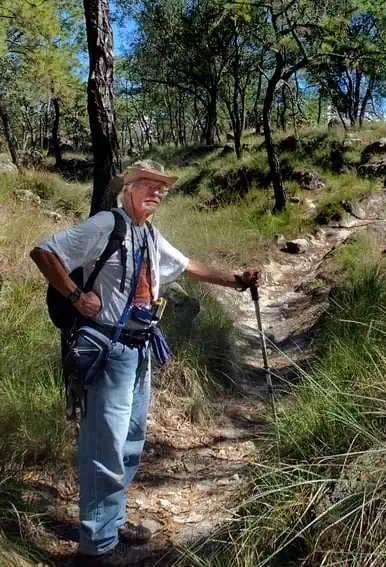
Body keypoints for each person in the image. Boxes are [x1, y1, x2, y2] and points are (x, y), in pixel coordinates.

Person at [29, 160, 260, 564]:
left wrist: (236, 280)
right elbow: (45, 252)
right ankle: (96, 546)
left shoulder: (150, 234)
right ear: (128, 188)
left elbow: (190, 266)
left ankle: (113, 520)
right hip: (107, 350)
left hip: (141, 349)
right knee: (106, 445)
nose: (156, 191)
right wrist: (74, 296)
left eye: (162, 187)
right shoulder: (106, 225)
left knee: (132, 441)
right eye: (148, 184)